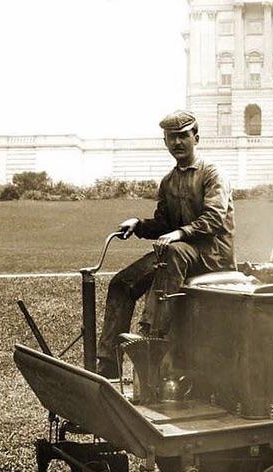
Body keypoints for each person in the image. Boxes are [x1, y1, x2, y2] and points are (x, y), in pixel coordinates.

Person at [96, 110, 235, 379]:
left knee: (170, 251)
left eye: (183, 136)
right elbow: (163, 223)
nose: (178, 143)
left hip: (212, 256)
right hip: (178, 255)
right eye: (172, 138)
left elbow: (214, 219)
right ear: (165, 142)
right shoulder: (169, 181)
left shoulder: (212, 174)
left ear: (196, 137)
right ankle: (108, 368)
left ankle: (150, 340)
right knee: (121, 284)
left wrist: (180, 233)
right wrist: (138, 224)